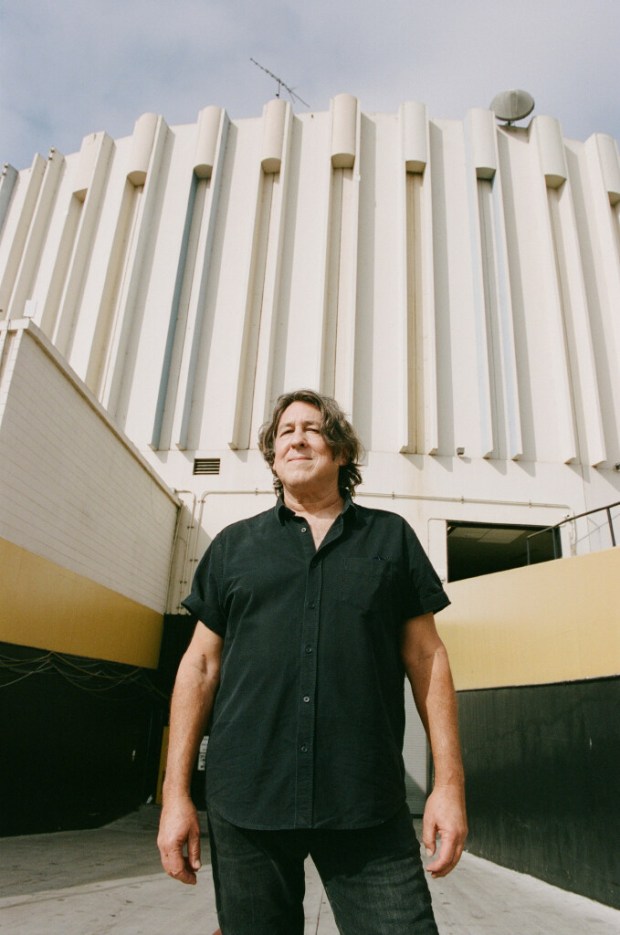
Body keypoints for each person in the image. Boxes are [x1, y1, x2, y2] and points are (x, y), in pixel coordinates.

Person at [157, 389, 467, 934]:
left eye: (313, 428)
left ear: (342, 452)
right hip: (247, 798)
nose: (297, 437)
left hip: (364, 799)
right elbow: (199, 668)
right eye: (284, 431)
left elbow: (428, 658)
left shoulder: (390, 539)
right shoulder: (233, 546)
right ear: (274, 457)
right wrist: (175, 796)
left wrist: (448, 786)